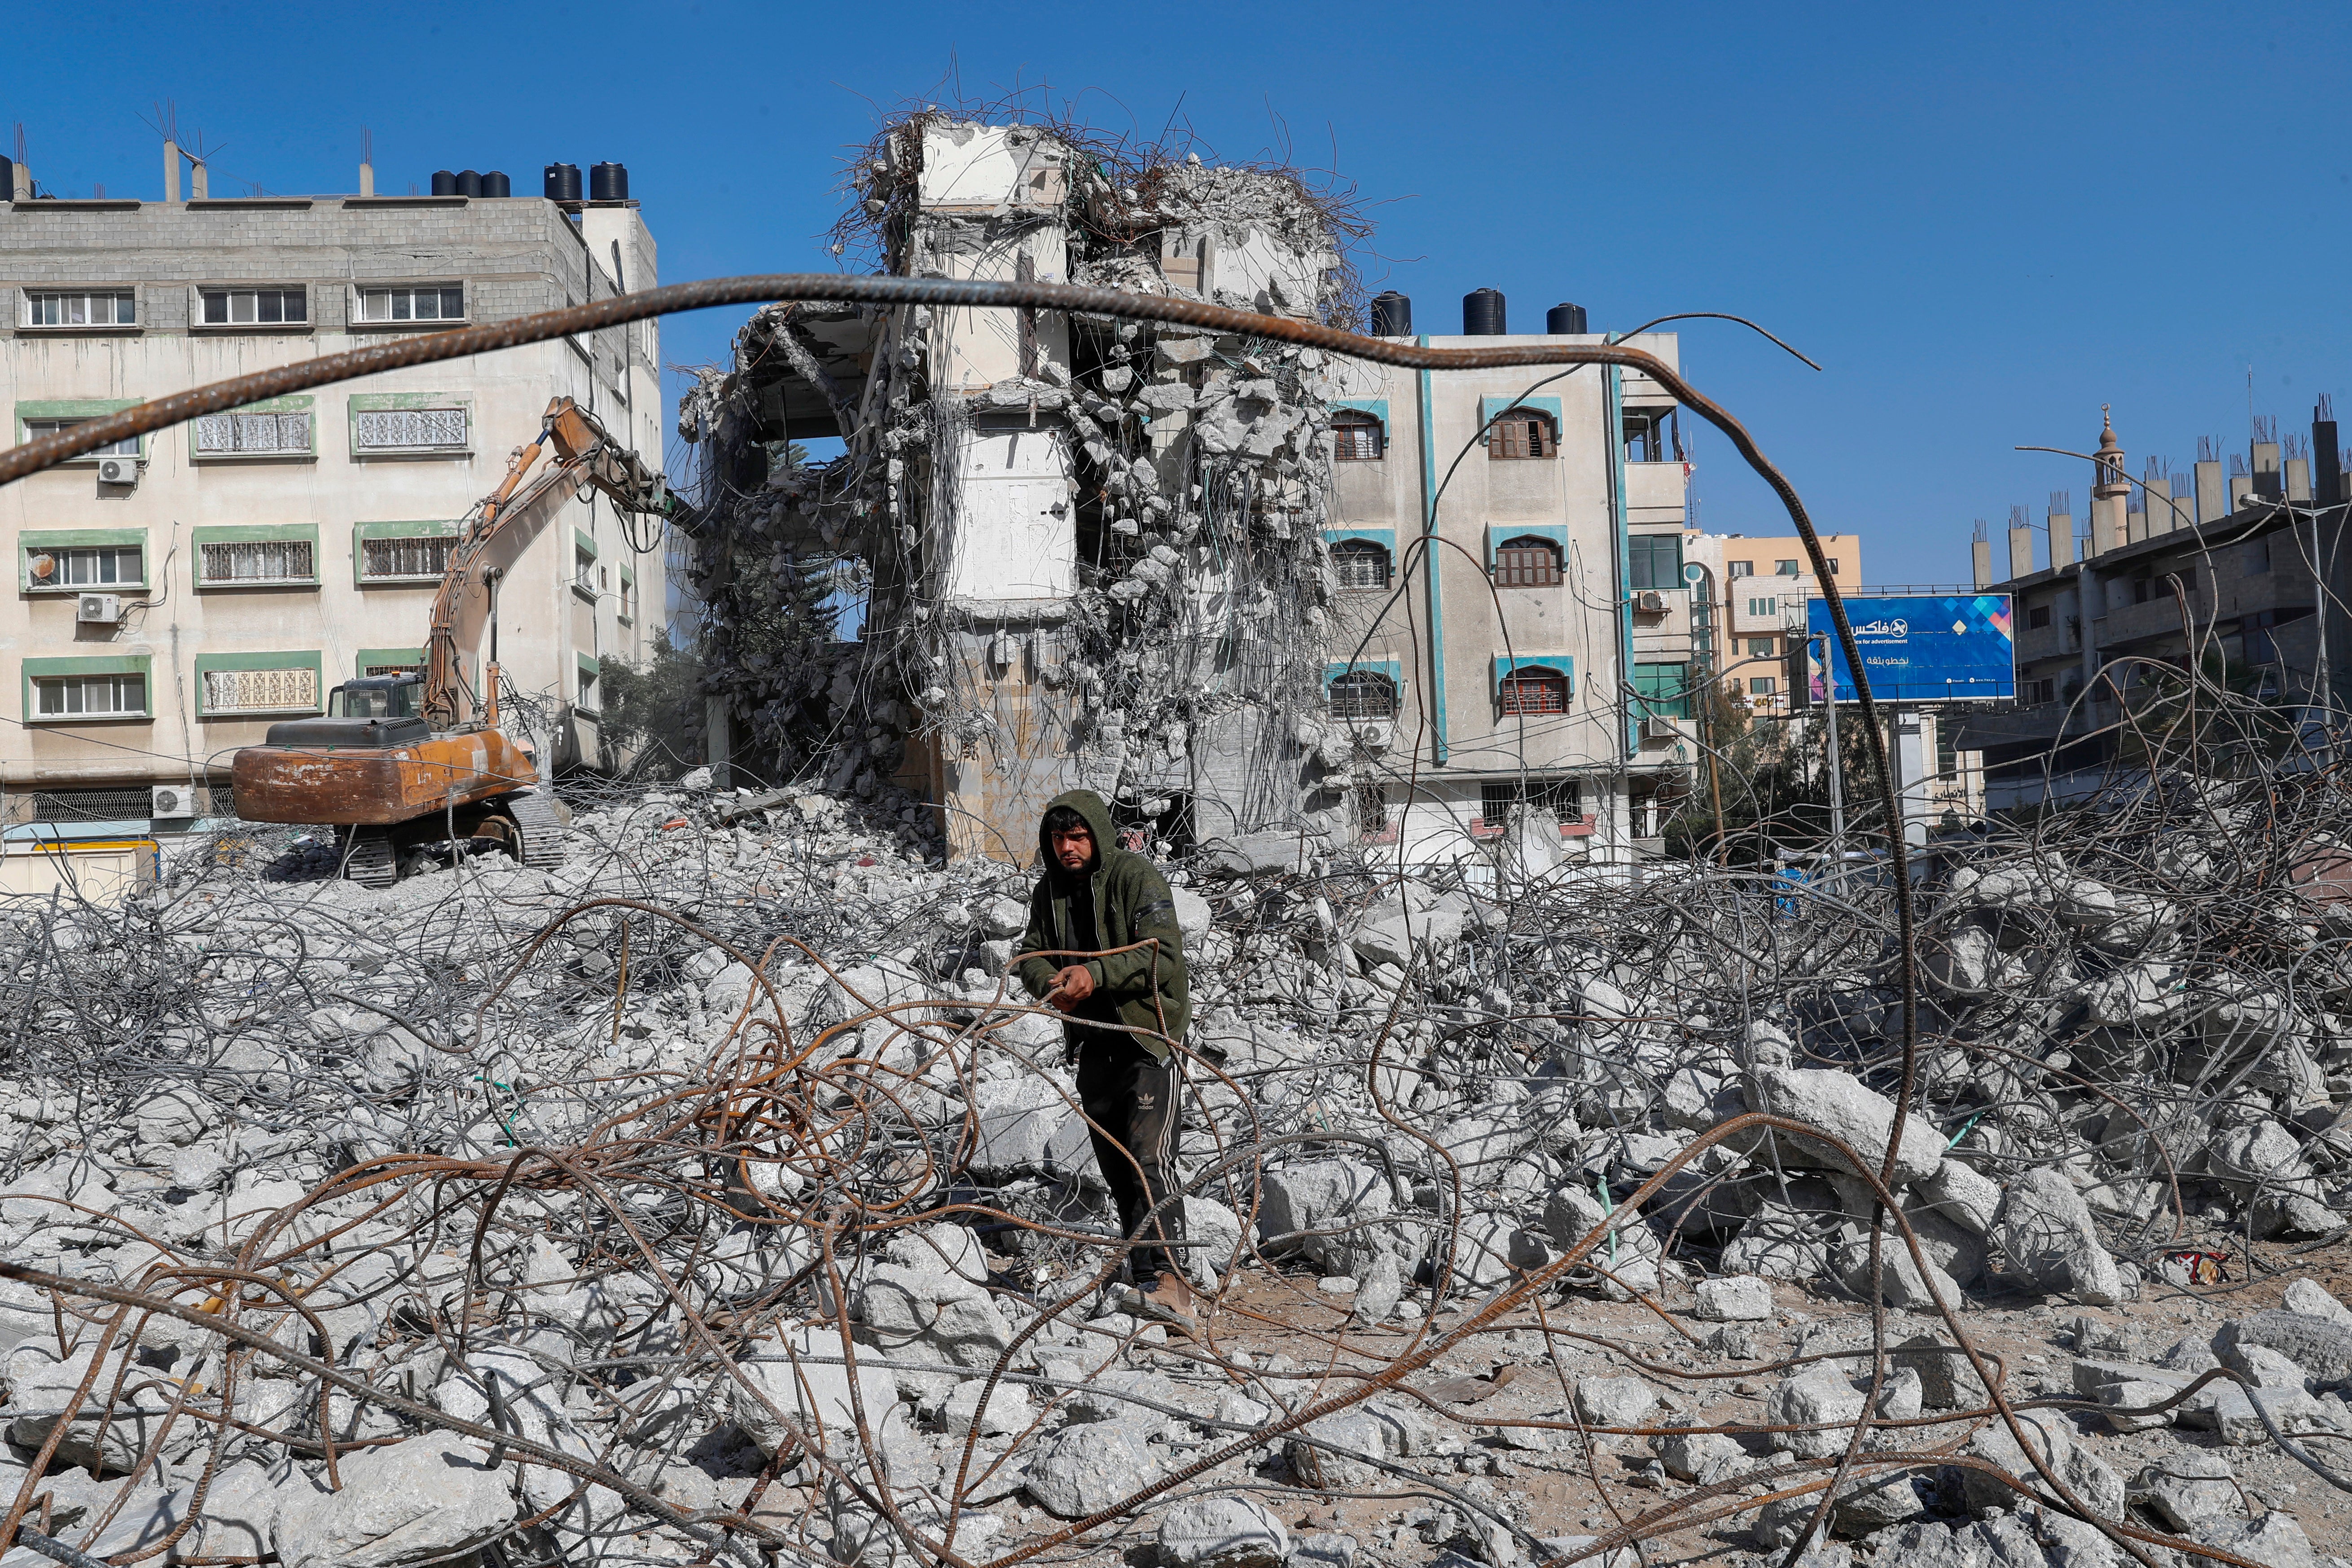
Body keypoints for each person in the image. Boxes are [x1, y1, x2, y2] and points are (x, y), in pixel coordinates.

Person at [1013, 789, 1196, 1328]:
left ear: (1096, 834)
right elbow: (1030, 953)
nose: (1068, 848)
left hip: (1147, 1037)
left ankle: (1172, 1281)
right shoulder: (1048, 892)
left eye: (1077, 837)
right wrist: (1048, 981)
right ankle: (1143, 1277)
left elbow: (1160, 954)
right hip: (1094, 1042)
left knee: (1148, 1156)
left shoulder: (1134, 876)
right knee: (1116, 1166)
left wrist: (1096, 974)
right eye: (1058, 839)